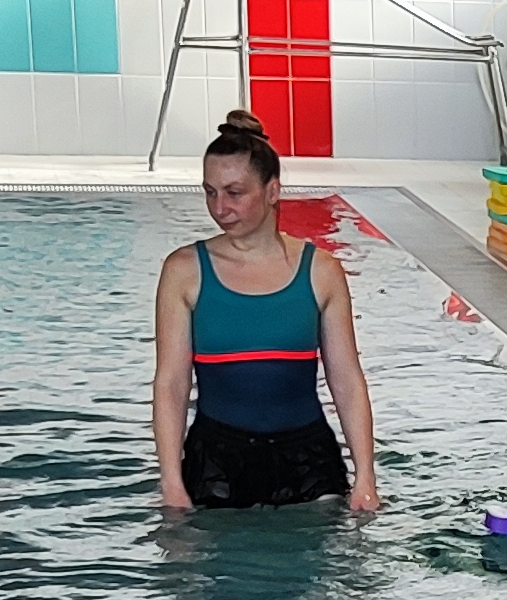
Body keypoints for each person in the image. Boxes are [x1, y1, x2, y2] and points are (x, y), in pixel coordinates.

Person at [151, 111, 382, 512]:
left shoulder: (321, 271)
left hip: (307, 458)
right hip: (216, 461)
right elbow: (171, 384)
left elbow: (346, 379)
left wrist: (366, 478)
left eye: (234, 193)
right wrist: (171, 482)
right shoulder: (184, 271)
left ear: (272, 191)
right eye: (210, 192)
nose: (219, 207)